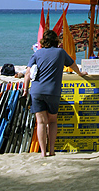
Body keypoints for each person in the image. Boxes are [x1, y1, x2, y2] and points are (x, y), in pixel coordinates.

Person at [23, 29, 86, 157]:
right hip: (53, 91)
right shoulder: (60, 52)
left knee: (41, 122)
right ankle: (51, 150)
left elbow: (28, 73)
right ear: (56, 41)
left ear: (43, 41)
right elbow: (73, 65)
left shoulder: (37, 53)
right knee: (52, 121)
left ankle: (42, 152)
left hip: (37, 91)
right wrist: (80, 73)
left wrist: (25, 89)